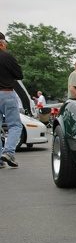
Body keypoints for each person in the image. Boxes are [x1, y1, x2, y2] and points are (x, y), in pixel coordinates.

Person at [0, 32, 23, 168]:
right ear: (2, 44)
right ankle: (8, 152)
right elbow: (19, 75)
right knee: (15, 125)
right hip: (6, 93)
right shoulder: (7, 56)